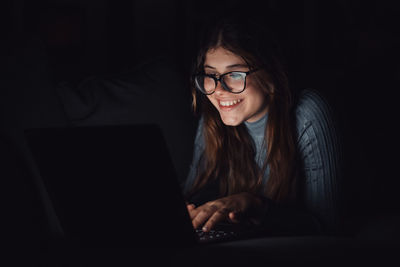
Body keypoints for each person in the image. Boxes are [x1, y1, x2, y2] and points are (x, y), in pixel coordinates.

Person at [183, 15, 342, 235]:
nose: (219, 89)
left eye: (235, 74)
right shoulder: (212, 119)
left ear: (271, 76)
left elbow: (328, 227)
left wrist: (256, 206)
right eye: (211, 75)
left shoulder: (308, 114)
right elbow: (192, 193)